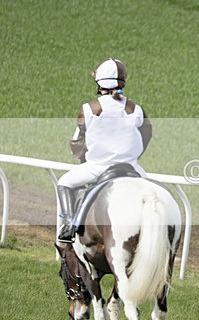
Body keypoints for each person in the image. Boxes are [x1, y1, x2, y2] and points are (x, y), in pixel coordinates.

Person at [56, 58, 152, 243]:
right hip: (132, 169)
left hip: (97, 168)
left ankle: (68, 224)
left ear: (99, 82)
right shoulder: (136, 109)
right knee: (152, 194)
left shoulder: (89, 108)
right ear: (123, 82)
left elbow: (76, 143)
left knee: (64, 182)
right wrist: (133, 155)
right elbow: (146, 136)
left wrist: (81, 155)